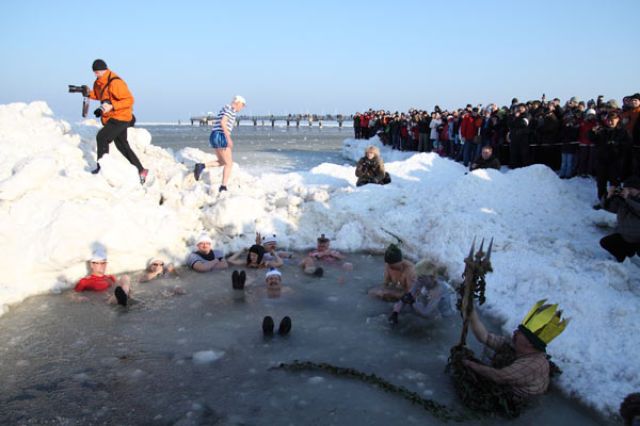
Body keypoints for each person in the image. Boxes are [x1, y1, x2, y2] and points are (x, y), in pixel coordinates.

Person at [461, 299, 569, 401]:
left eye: (520, 332)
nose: (514, 332)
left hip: (523, 404)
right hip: (510, 379)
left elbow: (498, 376)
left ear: (530, 343)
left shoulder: (533, 364)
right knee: (489, 352)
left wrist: (469, 364)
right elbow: (484, 337)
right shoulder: (517, 346)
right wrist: (472, 314)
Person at [86, 59, 148, 184]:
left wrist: (112, 106)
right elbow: (100, 95)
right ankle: (141, 170)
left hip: (121, 116)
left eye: (98, 72)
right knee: (122, 146)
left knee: (102, 137)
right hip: (112, 116)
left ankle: (102, 168)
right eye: (94, 72)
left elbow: (129, 100)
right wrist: (88, 93)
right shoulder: (99, 82)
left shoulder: (115, 82)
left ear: (104, 70)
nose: (96, 75)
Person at [193, 95, 247, 192]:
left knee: (222, 162)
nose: (242, 108)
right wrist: (228, 138)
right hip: (220, 136)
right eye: (242, 105)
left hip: (215, 135)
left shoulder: (227, 108)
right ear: (238, 103)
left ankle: (201, 166)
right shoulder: (230, 109)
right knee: (229, 164)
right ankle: (223, 187)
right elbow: (223, 122)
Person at [388, 258, 455, 324]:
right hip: (431, 303)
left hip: (444, 316)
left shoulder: (438, 290)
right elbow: (407, 296)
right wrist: (395, 313)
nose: (418, 279)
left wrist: (412, 302)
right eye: (418, 276)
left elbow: (426, 312)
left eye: (421, 277)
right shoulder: (421, 280)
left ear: (431, 277)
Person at [599, 176, 640, 262]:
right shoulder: (624, 200)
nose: (628, 191)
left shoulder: (630, 199)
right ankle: (624, 260)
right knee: (605, 242)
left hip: (638, 238)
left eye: (631, 188)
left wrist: (628, 198)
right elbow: (609, 207)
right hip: (625, 235)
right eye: (626, 188)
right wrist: (609, 196)